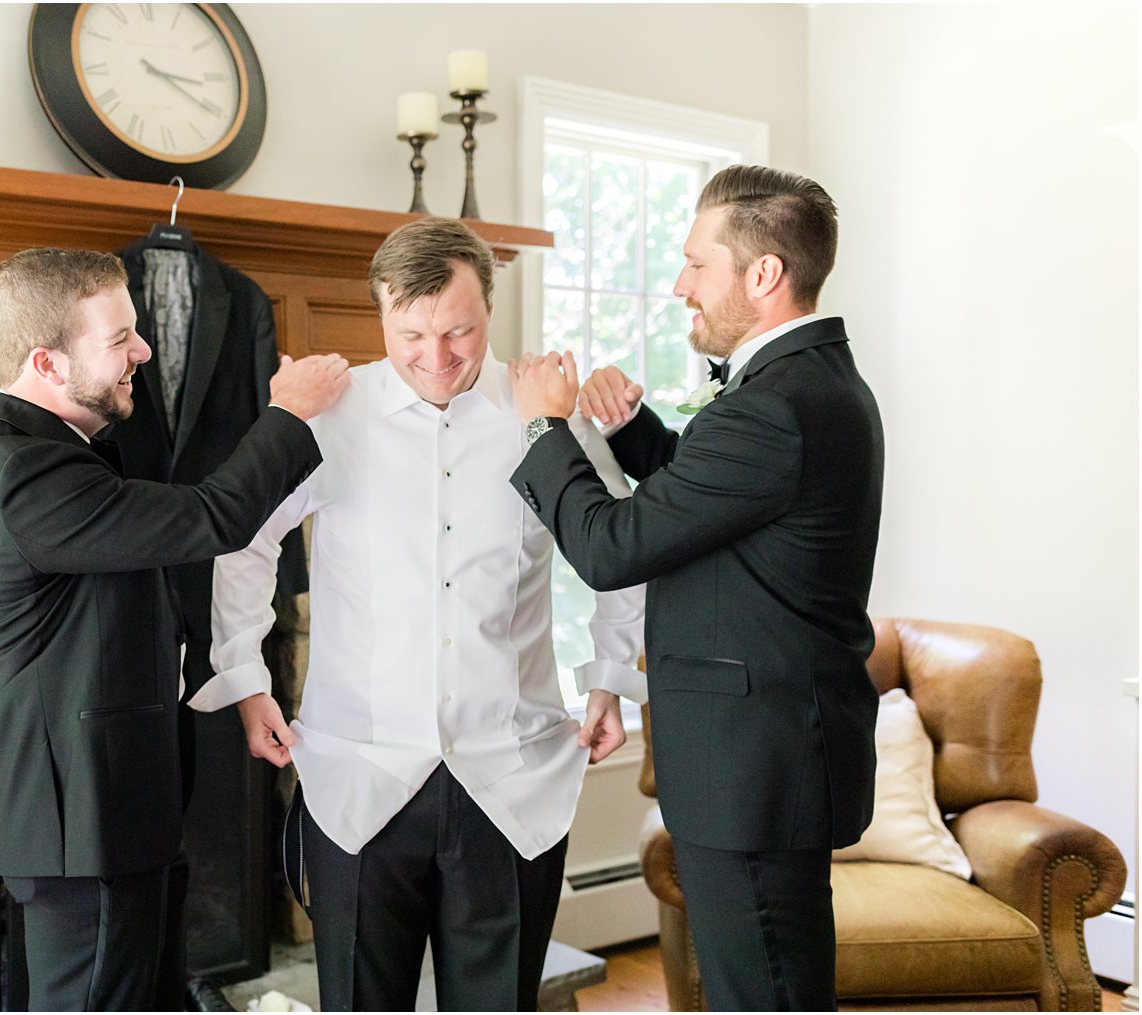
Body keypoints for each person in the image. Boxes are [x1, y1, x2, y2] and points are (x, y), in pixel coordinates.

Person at [188, 218, 648, 1012]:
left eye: (459, 332)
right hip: (358, 780)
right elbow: (244, 540)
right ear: (381, 317)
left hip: (511, 780)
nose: (437, 357)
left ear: (490, 312)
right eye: (412, 335)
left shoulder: (544, 411)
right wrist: (245, 675)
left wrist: (609, 676)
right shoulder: (331, 415)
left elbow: (622, 545)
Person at [509, 165, 883, 1011]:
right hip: (771, 762)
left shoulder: (773, 406)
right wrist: (631, 432)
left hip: (755, 772)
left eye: (694, 264)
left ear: (762, 274)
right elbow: (729, 505)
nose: (680, 285)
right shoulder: (810, 384)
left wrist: (543, 425)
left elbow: (611, 548)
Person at [0, 247, 349, 1011]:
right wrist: (288, 412)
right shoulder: (27, 476)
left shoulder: (64, 456)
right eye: (120, 338)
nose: (144, 351)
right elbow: (211, 517)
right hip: (81, 829)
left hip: (115, 820)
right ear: (47, 362)